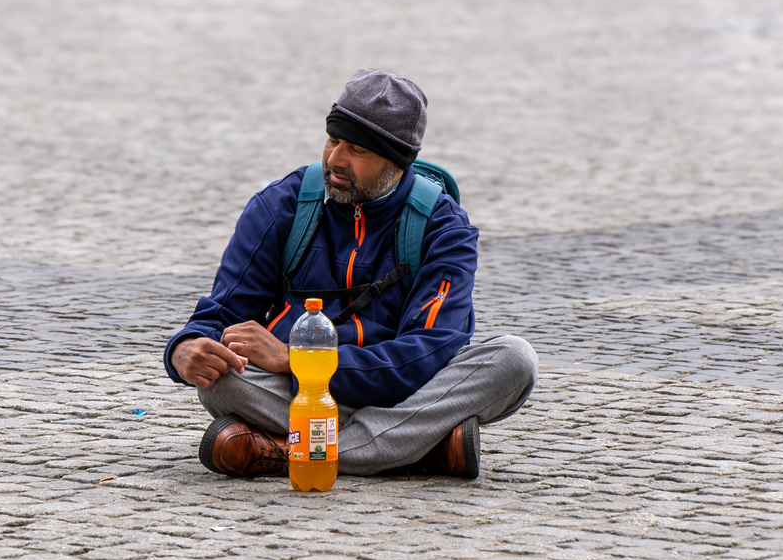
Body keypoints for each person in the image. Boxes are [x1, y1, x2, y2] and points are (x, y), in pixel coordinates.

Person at [165, 70, 537, 480]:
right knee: (220, 382)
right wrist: (184, 349)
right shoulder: (281, 205)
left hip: (403, 390)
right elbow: (224, 312)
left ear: (396, 162)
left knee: (513, 359)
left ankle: (291, 451)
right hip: (305, 396)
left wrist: (297, 360)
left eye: (357, 150)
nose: (335, 160)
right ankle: (418, 445)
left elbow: (428, 351)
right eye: (332, 140)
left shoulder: (444, 228)